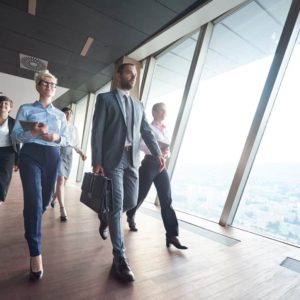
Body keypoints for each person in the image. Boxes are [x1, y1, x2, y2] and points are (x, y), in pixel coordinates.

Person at [91, 63, 164, 282]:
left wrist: (157, 152)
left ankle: (105, 217)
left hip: (132, 159)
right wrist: (97, 160)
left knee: (131, 201)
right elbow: (97, 131)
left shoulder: (138, 104)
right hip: (112, 159)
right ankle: (119, 257)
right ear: (118, 75)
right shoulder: (105, 99)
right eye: (129, 73)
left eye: (135, 75)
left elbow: (146, 131)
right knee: (117, 204)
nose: (132, 77)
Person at [11, 70, 68, 280]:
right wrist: (32, 133)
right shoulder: (26, 109)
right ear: (37, 86)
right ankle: (35, 252)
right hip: (31, 153)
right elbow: (16, 135)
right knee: (34, 202)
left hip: (53, 155)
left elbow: (67, 139)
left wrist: (56, 137)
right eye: (45, 83)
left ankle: (31, 218)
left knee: (43, 202)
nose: (49, 86)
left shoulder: (61, 115)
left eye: (52, 84)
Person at [126, 103, 187, 250]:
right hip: (149, 164)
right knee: (140, 195)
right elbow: (141, 145)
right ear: (154, 112)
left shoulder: (165, 129)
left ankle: (172, 235)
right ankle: (130, 214)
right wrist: (157, 150)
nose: (165, 113)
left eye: (166, 111)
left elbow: (168, 148)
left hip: (161, 166)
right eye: (162, 111)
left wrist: (166, 153)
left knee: (166, 199)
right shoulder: (149, 128)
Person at [51, 107, 87, 221]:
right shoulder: (57, 125)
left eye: (70, 113)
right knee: (60, 180)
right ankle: (62, 209)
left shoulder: (74, 128)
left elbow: (76, 144)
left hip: (69, 155)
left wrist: (81, 153)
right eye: (66, 112)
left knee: (64, 181)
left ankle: (54, 197)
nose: (68, 114)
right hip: (58, 152)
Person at [0, 96, 19, 205]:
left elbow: (17, 142)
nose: (3, 105)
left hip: (8, 153)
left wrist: (17, 161)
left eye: (6, 104)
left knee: (4, 178)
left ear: (10, 108)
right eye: (1, 103)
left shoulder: (14, 122)